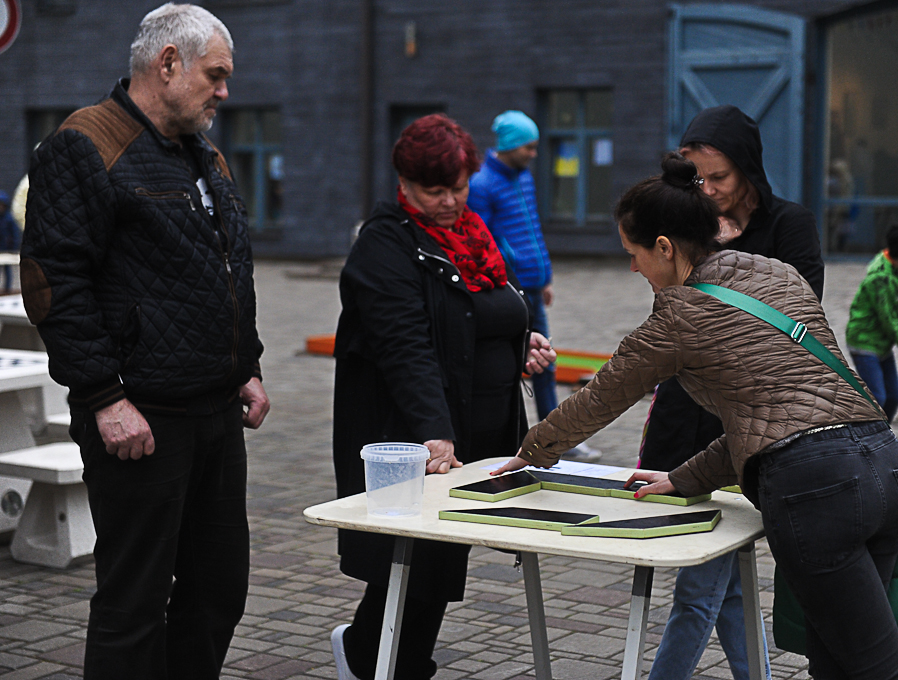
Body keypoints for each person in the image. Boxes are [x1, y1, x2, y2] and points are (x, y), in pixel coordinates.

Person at [496, 153, 898, 680]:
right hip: (884, 465)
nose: (632, 269)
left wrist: (532, 450)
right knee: (839, 661)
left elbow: (601, 397)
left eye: (633, 255)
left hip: (816, 490)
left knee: (874, 668)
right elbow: (769, 425)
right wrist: (685, 478)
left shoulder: (677, 315)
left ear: (664, 248)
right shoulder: (778, 274)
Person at [20, 4, 269, 678]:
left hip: (216, 413)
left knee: (217, 592)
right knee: (134, 604)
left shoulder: (203, 153)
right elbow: (53, 283)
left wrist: (245, 365)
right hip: (141, 421)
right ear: (168, 63)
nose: (224, 91)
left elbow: (228, 265)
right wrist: (104, 396)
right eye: (215, 75)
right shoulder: (84, 143)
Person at [330, 113, 555, 680]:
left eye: (458, 187)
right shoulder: (385, 246)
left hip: (476, 427)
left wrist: (518, 343)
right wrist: (435, 433)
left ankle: (384, 658)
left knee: (442, 560)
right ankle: (375, 658)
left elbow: (478, 314)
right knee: (413, 563)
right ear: (403, 183)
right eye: (434, 191)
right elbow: (405, 347)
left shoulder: (470, 235)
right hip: (416, 432)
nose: (451, 201)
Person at [638, 104, 825, 679]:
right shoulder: (686, 223)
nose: (709, 189)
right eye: (698, 179)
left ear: (748, 169)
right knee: (726, 579)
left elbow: (795, 320)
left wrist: (717, 263)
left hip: (749, 425)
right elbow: (671, 321)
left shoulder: (789, 224)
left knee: (699, 590)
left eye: (719, 177)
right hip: (685, 419)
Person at [468, 110, 600, 462]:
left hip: (533, 286)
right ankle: (516, 436)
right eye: (528, 146)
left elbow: (532, 230)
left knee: (545, 362)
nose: (533, 153)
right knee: (509, 364)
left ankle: (554, 436)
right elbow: (481, 242)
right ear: (509, 146)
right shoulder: (481, 185)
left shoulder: (524, 178)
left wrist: (545, 276)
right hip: (508, 290)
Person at [846, 223, 898, 421]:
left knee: (894, 397)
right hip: (865, 342)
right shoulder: (880, 279)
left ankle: (883, 434)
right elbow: (889, 322)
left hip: (882, 343)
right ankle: (867, 433)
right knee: (877, 398)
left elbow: (896, 312)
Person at [0, 191, 20, 292]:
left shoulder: (9, 219)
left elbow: (15, 234)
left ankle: (7, 289)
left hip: (7, 249)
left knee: (7, 270)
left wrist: (13, 246)